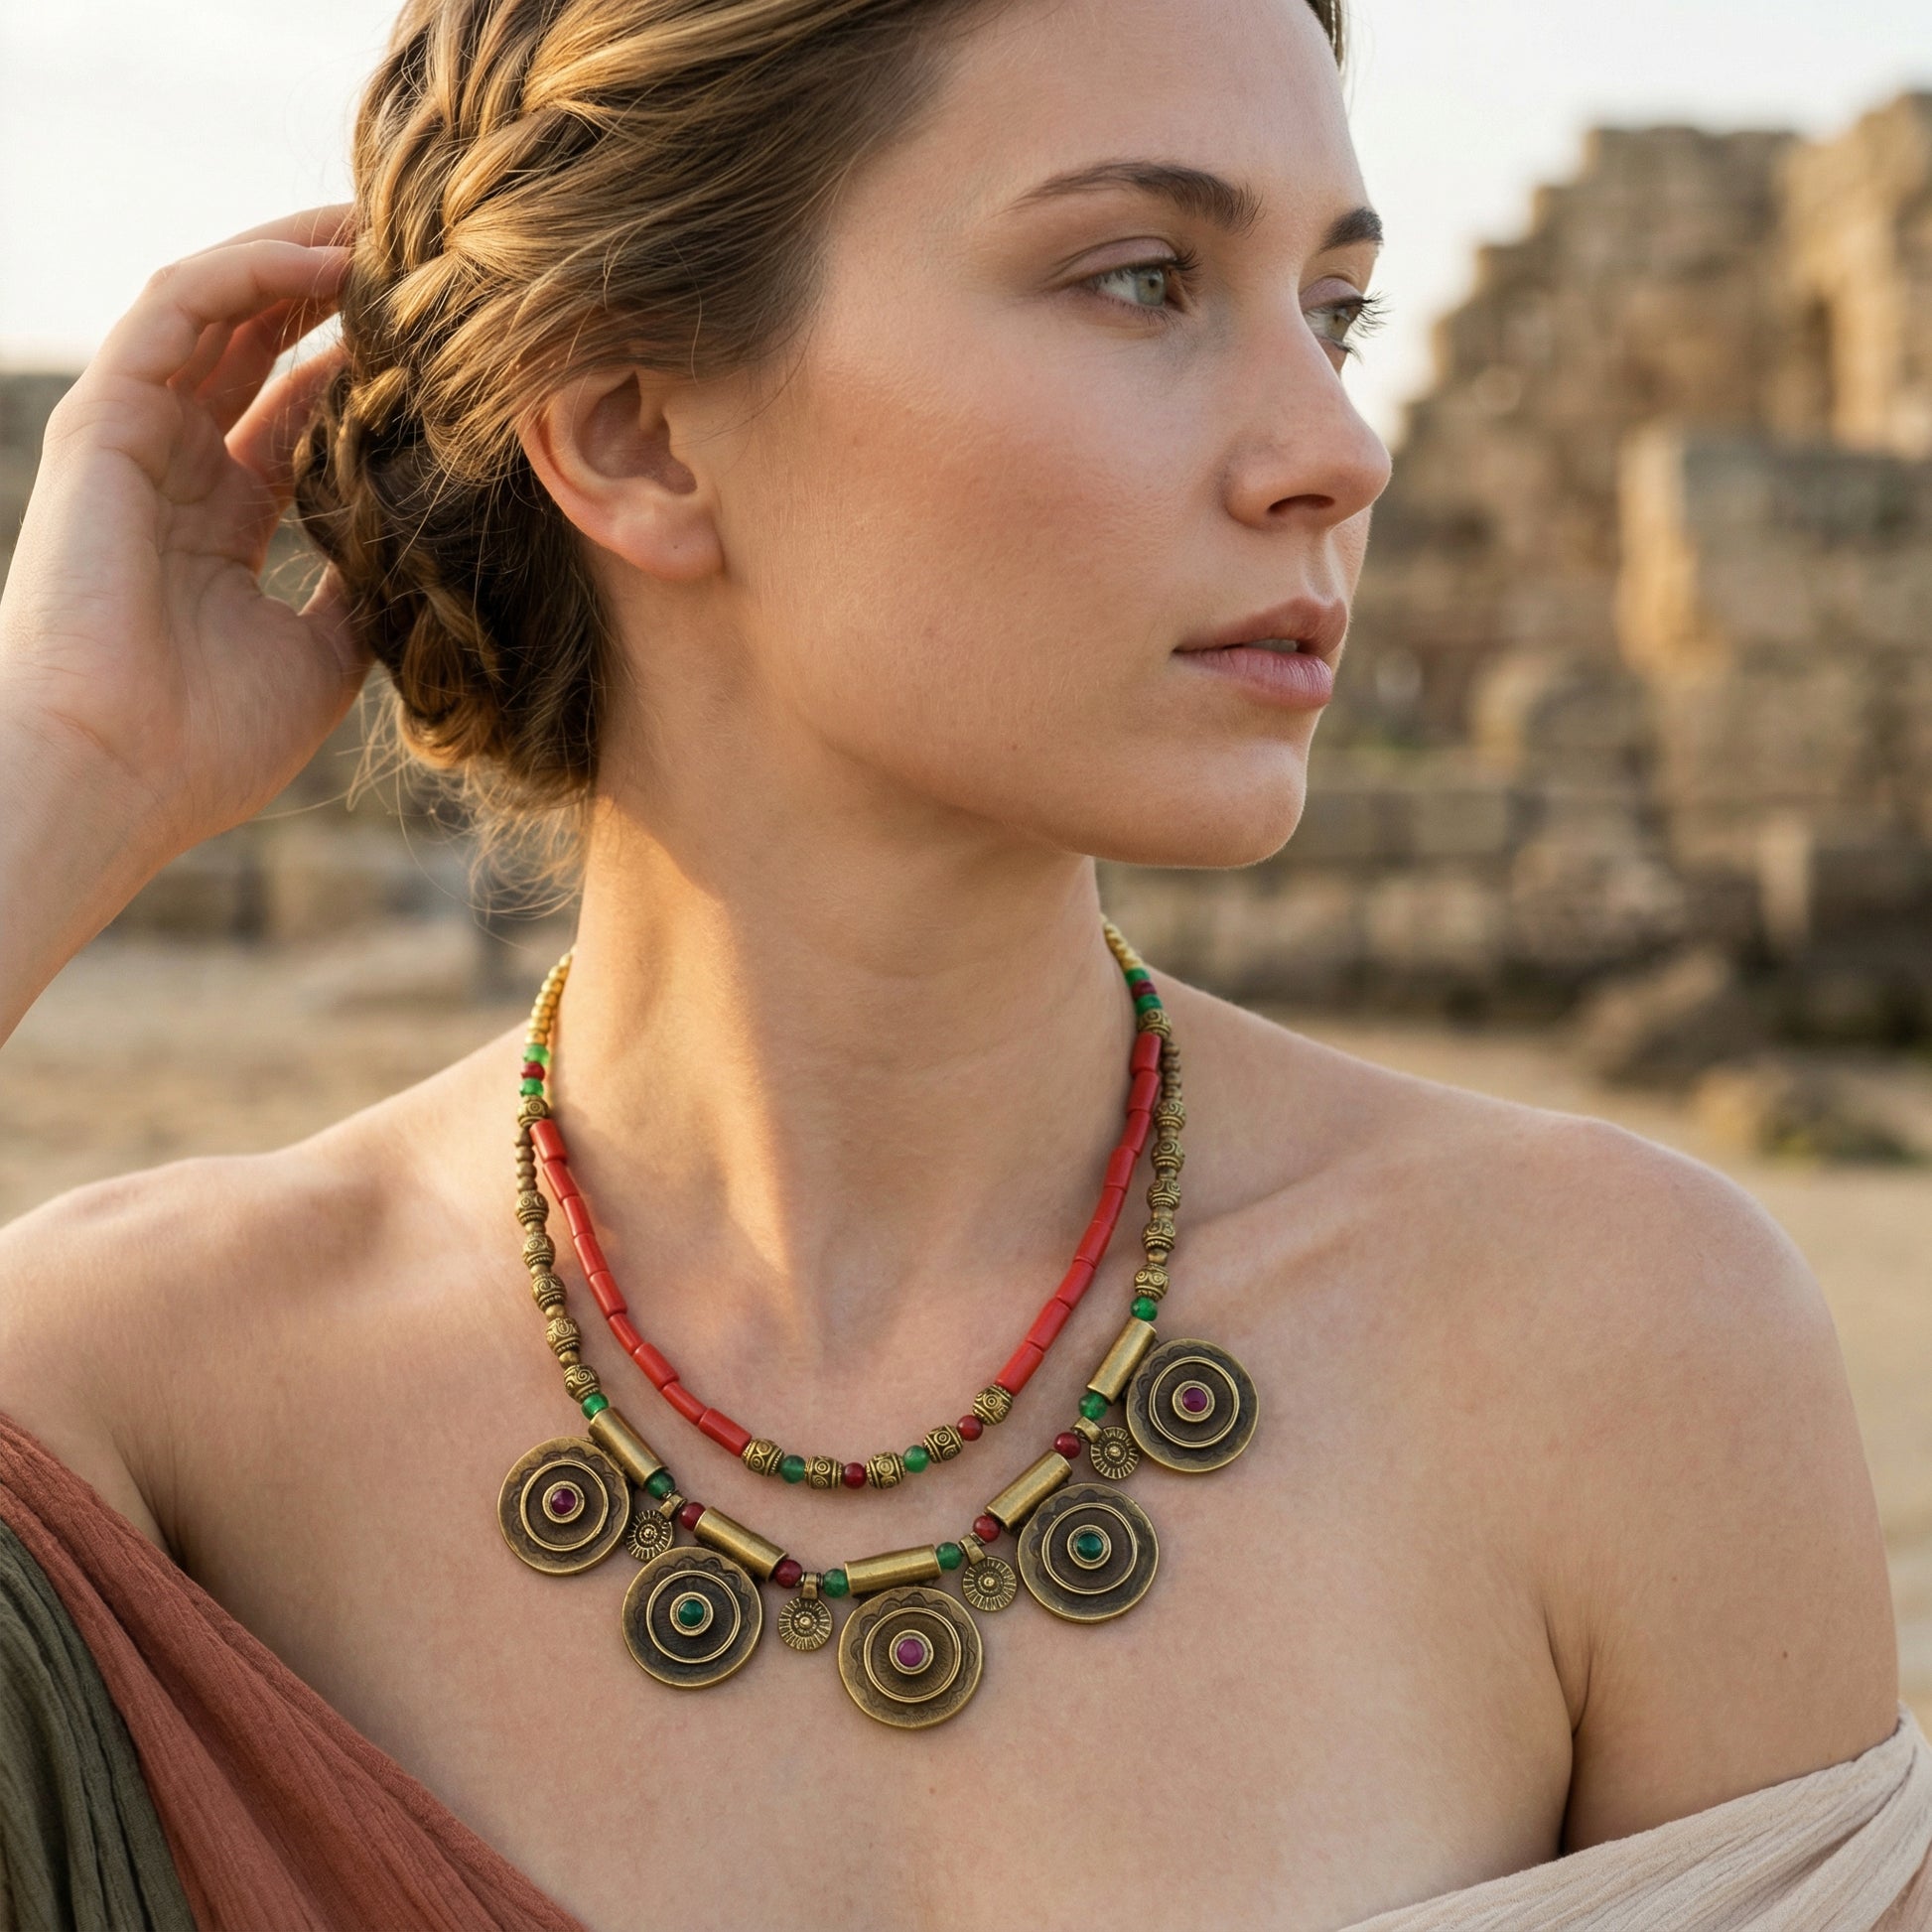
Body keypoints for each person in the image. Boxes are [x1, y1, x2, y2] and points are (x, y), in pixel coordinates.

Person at [0, 0, 1924, 1926]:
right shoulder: (136, 1397)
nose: (1336, 451)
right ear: (633, 431)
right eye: (1142, 279)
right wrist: (54, 781)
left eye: (1333, 312)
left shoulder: (1621, 1351)